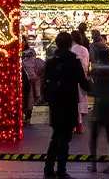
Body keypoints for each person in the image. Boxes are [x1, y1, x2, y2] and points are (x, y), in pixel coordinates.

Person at [42, 31, 89, 179]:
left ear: (56, 43)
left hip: (55, 104)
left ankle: (48, 168)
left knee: (56, 135)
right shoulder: (73, 61)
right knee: (66, 137)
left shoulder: (50, 61)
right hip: (69, 103)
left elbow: (45, 83)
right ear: (70, 44)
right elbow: (83, 82)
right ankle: (61, 169)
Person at [86, 46, 109, 172]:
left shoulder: (97, 70)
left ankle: (94, 164)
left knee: (93, 137)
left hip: (99, 106)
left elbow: (92, 88)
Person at [23, 46, 44, 123]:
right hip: (32, 84)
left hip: (28, 84)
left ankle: (27, 116)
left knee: (28, 100)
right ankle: (28, 117)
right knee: (30, 101)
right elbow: (43, 68)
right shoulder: (37, 61)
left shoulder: (23, 62)